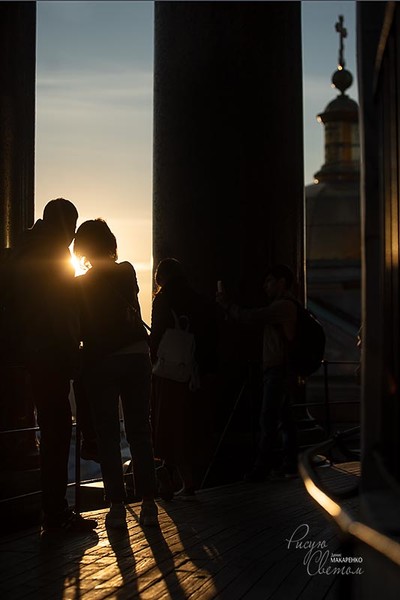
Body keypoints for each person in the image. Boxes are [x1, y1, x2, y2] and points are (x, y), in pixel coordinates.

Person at [11, 198, 97, 533]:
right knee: (58, 431)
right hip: (52, 355)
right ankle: (56, 512)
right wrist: (73, 353)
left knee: (49, 429)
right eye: (72, 228)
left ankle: (51, 511)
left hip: (27, 354)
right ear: (65, 226)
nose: (73, 237)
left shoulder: (24, 248)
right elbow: (61, 313)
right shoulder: (55, 255)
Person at [73, 219, 158, 529]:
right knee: (140, 431)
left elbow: (80, 326)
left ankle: (117, 507)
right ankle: (148, 504)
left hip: (102, 360)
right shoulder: (127, 271)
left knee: (108, 435)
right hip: (136, 355)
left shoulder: (80, 284)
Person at [216, 264, 299, 481]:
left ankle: (263, 466)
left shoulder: (282, 307)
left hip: (277, 369)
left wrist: (227, 306)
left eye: (269, 281)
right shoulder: (290, 306)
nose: (265, 286)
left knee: (268, 418)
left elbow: (252, 317)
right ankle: (289, 464)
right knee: (286, 419)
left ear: (282, 283)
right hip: (283, 369)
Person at [150, 258, 217, 500]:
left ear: (161, 277)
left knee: (167, 423)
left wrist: (153, 359)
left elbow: (157, 334)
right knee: (185, 424)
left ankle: (171, 477)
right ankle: (183, 479)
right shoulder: (198, 298)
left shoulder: (163, 299)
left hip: (169, 372)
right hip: (192, 371)